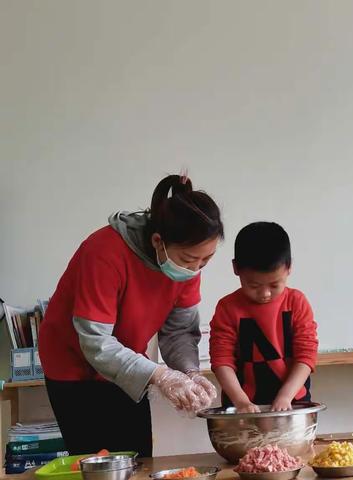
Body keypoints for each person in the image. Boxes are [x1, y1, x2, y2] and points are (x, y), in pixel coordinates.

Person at [38, 174, 223, 457]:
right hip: (73, 364)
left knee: (136, 457)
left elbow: (180, 332)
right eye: (189, 259)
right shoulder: (104, 252)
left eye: (205, 260)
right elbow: (96, 343)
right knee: (95, 461)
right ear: (158, 241)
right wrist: (161, 375)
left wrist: (189, 372)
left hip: (126, 358)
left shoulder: (188, 266)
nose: (195, 268)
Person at [209, 221, 318, 413]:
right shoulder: (227, 308)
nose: (265, 293)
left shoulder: (296, 302)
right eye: (254, 286)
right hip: (241, 403)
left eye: (275, 285)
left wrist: (285, 396)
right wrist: (241, 402)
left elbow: (306, 356)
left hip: (294, 400)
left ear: (289, 267)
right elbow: (222, 361)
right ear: (236, 269)